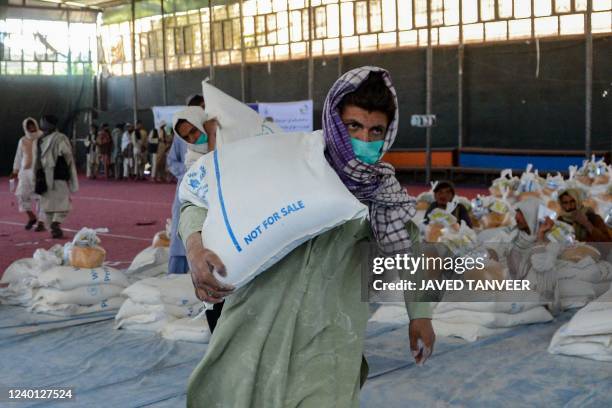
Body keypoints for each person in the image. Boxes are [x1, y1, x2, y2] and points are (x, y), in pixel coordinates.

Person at [179, 68, 434, 407]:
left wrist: (420, 315)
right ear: (333, 121)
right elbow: (200, 201)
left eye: (377, 131)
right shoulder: (284, 162)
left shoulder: (382, 197)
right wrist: (196, 248)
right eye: (353, 126)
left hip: (328, 345)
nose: (365, 140)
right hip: (255, 331)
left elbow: (411, 252)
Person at [166, 95, 207, 275]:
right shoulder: (180, 139)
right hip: (186, 192)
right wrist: (188, 176)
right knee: (181, 233)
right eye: (186, 135)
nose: (191, 137)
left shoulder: (216, 135)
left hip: (209, 197)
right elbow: (171, 161)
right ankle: (176, 276)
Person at [36, 115, 78, 239]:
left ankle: (54, 225)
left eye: (43, 122)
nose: (42, 124)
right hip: (52, 174)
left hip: (49, 173)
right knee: (60, 203)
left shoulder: (52, 138)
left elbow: (65, 153)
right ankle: (55, 224)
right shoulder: (52, 138)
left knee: (52, 202)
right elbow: (67, 154)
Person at [10, 117, 45, 231]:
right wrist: (15, 171)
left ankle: (41, 222)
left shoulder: (42, 137)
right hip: (25, 172)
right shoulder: (22, 140)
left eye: (33, 125)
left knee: (41, 197)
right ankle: (31, 217)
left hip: (39, 171)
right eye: (29, 126)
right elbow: (18, 156)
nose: (31, 128)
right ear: (25, 127)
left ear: (36, 125)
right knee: (21, 194)